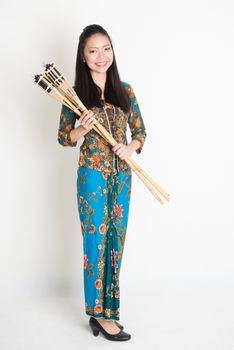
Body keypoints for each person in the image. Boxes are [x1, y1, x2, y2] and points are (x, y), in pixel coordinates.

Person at [57, 24, 147, 341]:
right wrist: (82, 127)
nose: (101, 56)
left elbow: (140, 134)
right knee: (95, 243)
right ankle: (97, 314)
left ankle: (110, 312)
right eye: (93, 50)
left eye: (106, 48)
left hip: (121, 175)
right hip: (92, 174)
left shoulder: (126, 91)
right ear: (83, 56)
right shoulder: (73, 95)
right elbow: (64, 138)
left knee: (115, 244)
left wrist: (129, 148)